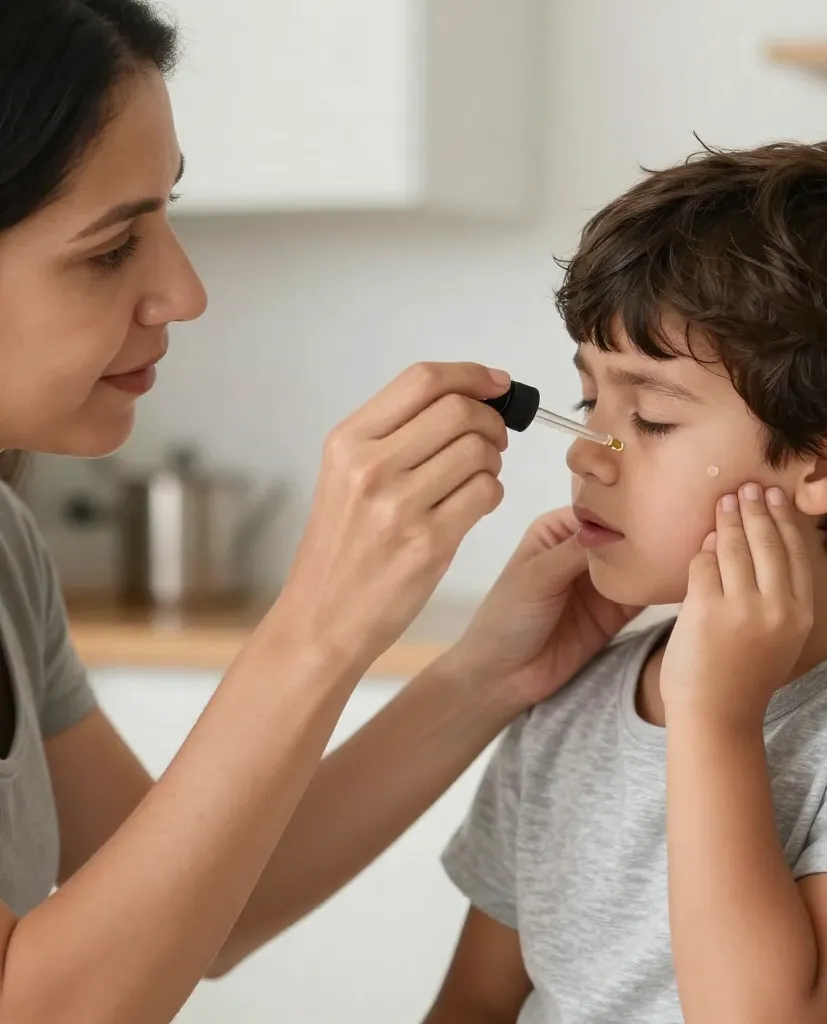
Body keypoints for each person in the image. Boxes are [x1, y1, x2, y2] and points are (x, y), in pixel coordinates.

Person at [0, 3, 642, 1022]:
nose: (186, 290)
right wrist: (320, 618)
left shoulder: (7, 550)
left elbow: (207, 906)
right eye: (112, 246)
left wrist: (483, 677)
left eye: (171, 216)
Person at [427, 141, 827, 1024]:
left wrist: (713, 718)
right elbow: (474, 1005)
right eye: (591, 401)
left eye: (655, 417)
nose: (588, 450)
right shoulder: (571, 701)